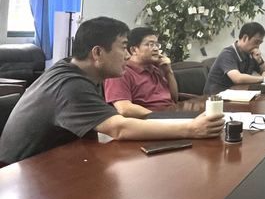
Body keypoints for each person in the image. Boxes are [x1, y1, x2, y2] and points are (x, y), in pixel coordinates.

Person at [0, 17, 224, 165]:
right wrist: (192, 128)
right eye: (123, 47)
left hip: (59, 161)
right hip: (20, 174)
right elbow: (119, 128)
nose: (127, 55)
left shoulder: (78, 69)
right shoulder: (70, 85)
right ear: (97, 53)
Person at [103, 27, 178, 118]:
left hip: (173, 113)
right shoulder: (121, 73)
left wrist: (169, 72)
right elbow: (124, 108)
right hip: (153, 120)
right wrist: (159, 117)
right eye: (150, 44)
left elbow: (174, 98)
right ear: (134, 50)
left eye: (157, 45)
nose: (156, 49)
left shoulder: (155, 69)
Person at [203, 22, 265, 95]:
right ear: (245, 38)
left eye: (260, 43)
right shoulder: (227, 53)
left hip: (235, 93)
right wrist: (263, 78)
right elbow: (237, 78)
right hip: (215, 96)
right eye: (256, 42)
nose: (257, 46)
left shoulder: (250, 53)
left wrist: (259, 61)